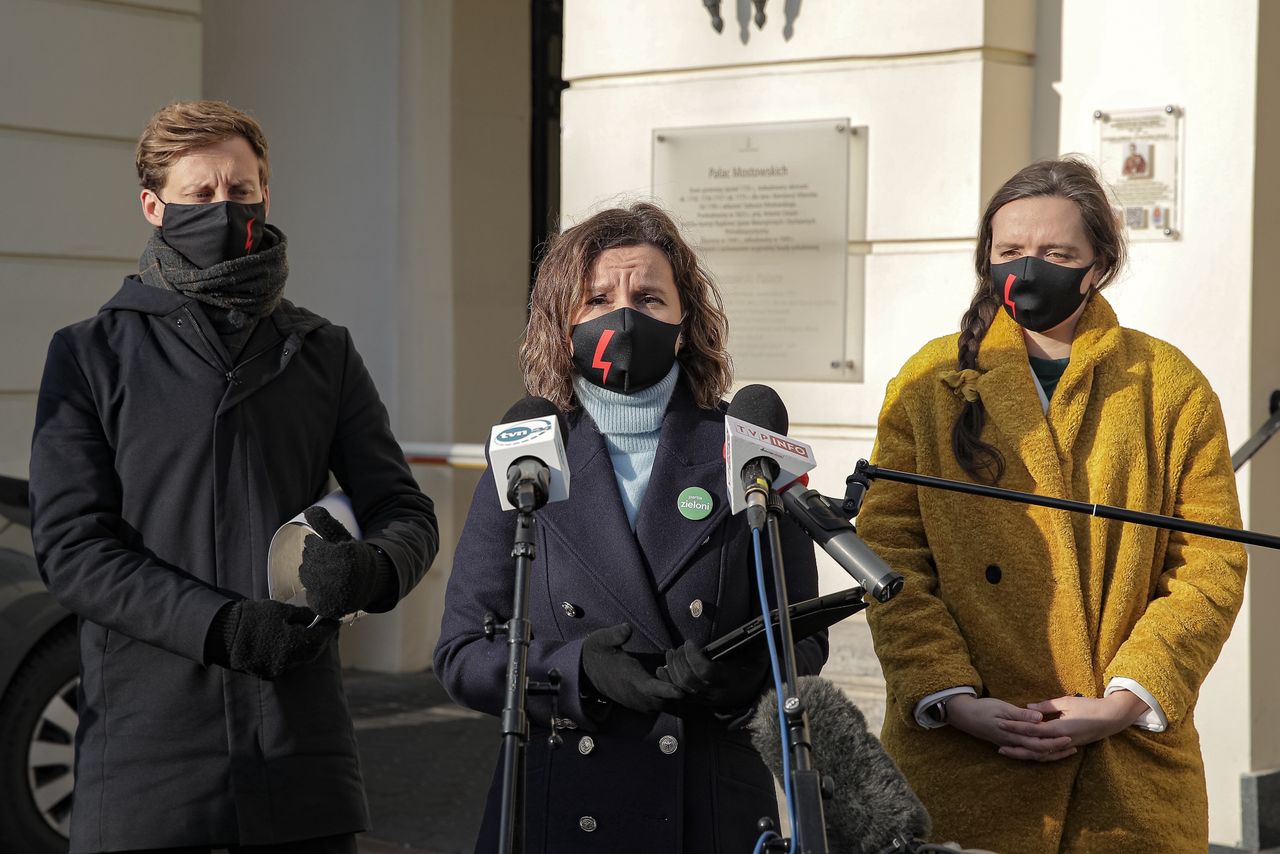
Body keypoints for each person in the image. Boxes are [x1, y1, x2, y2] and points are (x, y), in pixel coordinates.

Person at [29, 100, 439, 854]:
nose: (225, 207)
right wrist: (220, 626)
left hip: (298, 752)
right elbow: (73, 549)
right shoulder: (91, 354)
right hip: (146, 761)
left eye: (241, 191)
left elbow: (403, 508)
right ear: (154, 207)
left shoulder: (323, 351)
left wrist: (373, 569)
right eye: (200, 193)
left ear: (266, 197)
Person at [859, 156, 1246, 853]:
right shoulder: (930, 381)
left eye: (1055, 253)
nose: (1028, 268)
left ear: (1097, 264)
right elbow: (888, 557)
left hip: (1119, 772)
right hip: (964, 760)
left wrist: (1125, 701)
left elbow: (1209, 565)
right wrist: (952, 695)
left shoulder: (1168, 386)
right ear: (986, 257)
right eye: (1010, 251)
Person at [434, 202, 828, 853]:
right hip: (562, 806)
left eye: (648, 297)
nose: (625, 316)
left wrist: (742, 677)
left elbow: (802, 634)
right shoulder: (527, 456)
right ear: (564, 324)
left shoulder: (744, 451)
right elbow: (459, 655)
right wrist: (574, 671)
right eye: (597, 298)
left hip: (707, 805)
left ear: (682, 324)